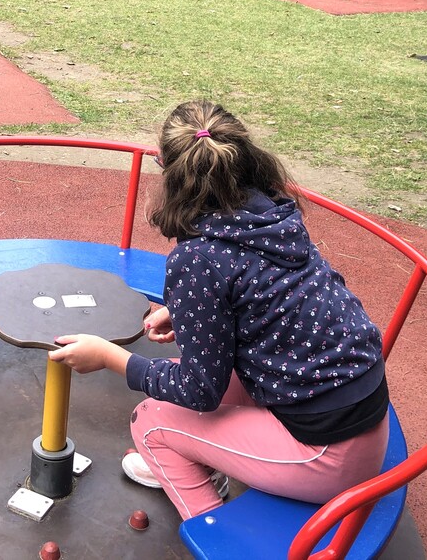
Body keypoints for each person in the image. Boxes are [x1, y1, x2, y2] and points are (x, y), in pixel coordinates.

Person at [49, 100, 390, 520]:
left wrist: (110, 358)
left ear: (169, 172)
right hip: (363, 421)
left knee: (151, 423)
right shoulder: (271, 213)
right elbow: (264, 295)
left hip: (329, 456)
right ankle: (199, 459)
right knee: (205, 373)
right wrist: (188, 312)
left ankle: (216, 528)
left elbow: (199, 391)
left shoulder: (198, 258)